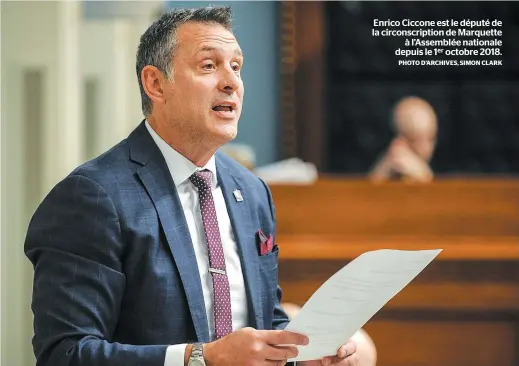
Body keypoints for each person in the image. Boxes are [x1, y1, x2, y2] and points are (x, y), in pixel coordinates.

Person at [25, 6, 374, 366]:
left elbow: (261, 321)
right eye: (209, 66)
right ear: (156, 83)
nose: (231, 82)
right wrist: (202, 359)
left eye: (236, 67)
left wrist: (302, 354)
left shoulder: (252, 192)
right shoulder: (93, 197)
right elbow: (64, 354)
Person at [369, 96, 438, 183]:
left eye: (430, 139)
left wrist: (424, 176)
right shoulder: (390, 171)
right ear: (398, 141)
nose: (425, 147)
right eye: (414, 139)